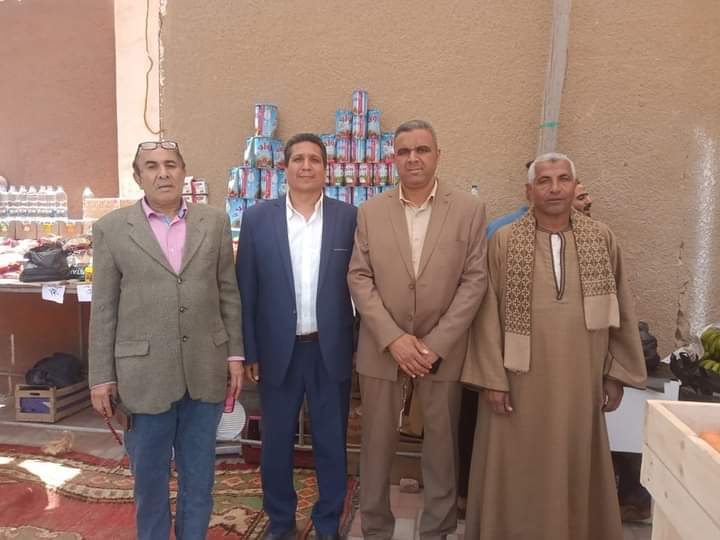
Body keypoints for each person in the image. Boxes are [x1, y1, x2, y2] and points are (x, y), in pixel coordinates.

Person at [462, 152, 647, 540]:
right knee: (515, 466)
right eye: (544, 181)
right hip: (516, 385)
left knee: (574, 462)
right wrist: (492, 378)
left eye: (563, 179)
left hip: (580, 385)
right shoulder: (504, 241)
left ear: (575, 186)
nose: (555, 188)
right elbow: (485, 316)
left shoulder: (601, 239)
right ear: (528, 190)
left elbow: (623, 310)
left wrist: (615, 374)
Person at [89, 140, 244, 540]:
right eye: (152, 166)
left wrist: (235, 356)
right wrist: (101, 377)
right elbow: (103, 308)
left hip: (204, 369)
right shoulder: (111, 229)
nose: (163, 173)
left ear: (183, 172)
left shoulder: (214, 222)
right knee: (150, 481)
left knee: (200, 479)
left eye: (171, 165)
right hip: (143, 377)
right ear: (138, 176)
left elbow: (228, 292)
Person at [348, 119, 488, 540]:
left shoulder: (468, 210)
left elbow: (475, 280)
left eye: (422, 150)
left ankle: (437, 530)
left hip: (441, 352)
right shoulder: (371, 211)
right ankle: (375, 528)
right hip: (382, 349)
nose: (413, 158)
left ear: (438, 155)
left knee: (442, 449)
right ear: (393, 159)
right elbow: (359, 277)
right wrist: (393, 338)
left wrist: (435, 344)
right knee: (376, 448)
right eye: (404, 151)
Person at [236, 133, 357, 540]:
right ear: (284, 168)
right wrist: (250, 350)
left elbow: (361, 284)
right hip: (277, 352)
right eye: (298, 159)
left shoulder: (348, 218)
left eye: (314, 159)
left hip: (329, 349)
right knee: (275, 444)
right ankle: (280, 520)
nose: (306, 166)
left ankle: (328, 523)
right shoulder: (257, 219)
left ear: (326, 168)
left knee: (330, 443)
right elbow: (246, 289)